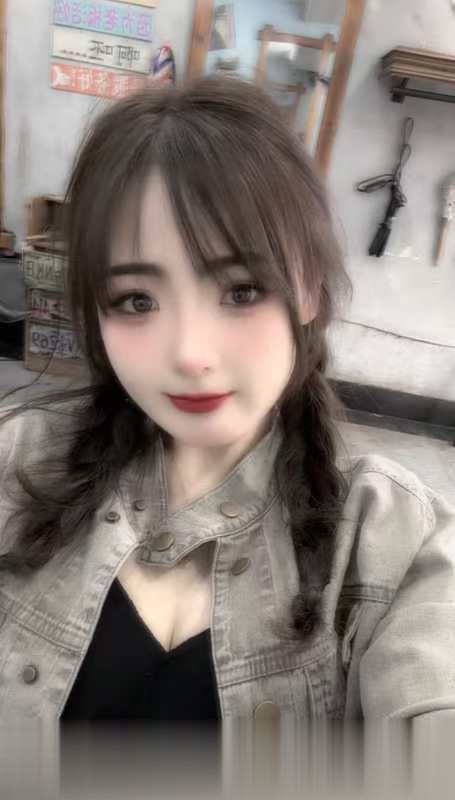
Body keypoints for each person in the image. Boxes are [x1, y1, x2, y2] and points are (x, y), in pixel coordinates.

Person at [0, 76, 454, 732]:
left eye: (241, 290)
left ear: (308, 290)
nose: (190, 354)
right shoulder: (16, 464)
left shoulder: (389, 538)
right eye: (136, 300)